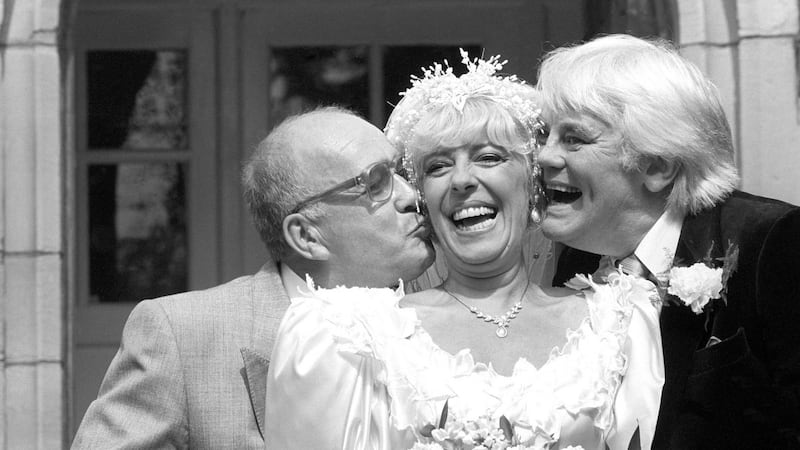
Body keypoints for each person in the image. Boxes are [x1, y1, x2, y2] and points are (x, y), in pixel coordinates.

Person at [265, 51, 644, 449]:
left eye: (489, 157)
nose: (462, 180)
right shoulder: (353, 336)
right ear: (422, 201)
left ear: (534, 187)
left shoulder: (617, 321)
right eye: (438, 167)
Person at [71, 107, 434, 449]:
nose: (411, 196)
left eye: (401, 173)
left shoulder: (451, 325)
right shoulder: (180, 336)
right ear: (307, 236)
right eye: (376, 182)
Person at [537, 34, 800, 449]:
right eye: (543, 135)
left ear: (657, 166)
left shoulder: (772, 243)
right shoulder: (576, 264)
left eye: (573, 139)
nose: (543, 157)